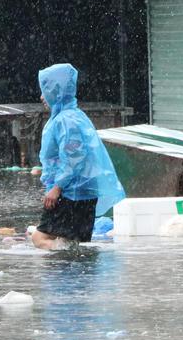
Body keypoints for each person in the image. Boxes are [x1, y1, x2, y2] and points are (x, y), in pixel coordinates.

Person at [31, 63, 125, 250]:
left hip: (71, 192)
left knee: (39, 238)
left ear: (56, 91)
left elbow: (74, 157)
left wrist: (57, 187)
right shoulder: (75, 116)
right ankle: (75, 275)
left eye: (45, 90)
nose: (42, 96)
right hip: (84, 192)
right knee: (75, 242)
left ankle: (67, 259)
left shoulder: (66, 120)